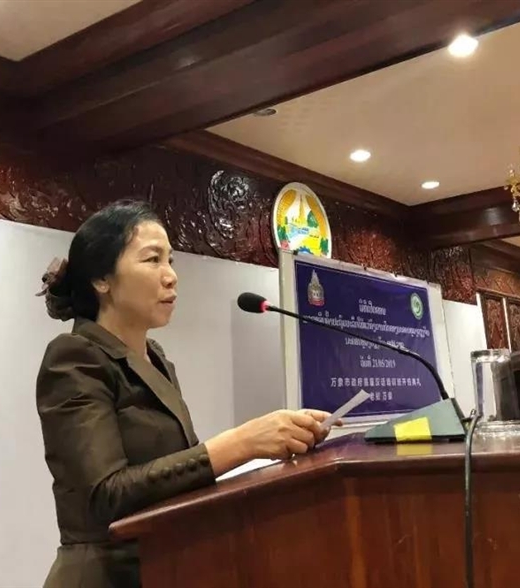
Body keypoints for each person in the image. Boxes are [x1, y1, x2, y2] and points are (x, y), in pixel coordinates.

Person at [35, 200, 336, 588]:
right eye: (153, 259)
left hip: (169, 563)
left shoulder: (155, 357)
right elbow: (104, 496)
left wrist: (268, 448)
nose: (171, 276)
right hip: (107, 575)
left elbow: (178, 476)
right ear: (101, 279)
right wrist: (242, 443)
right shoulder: (74, 357)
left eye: (171, 260)